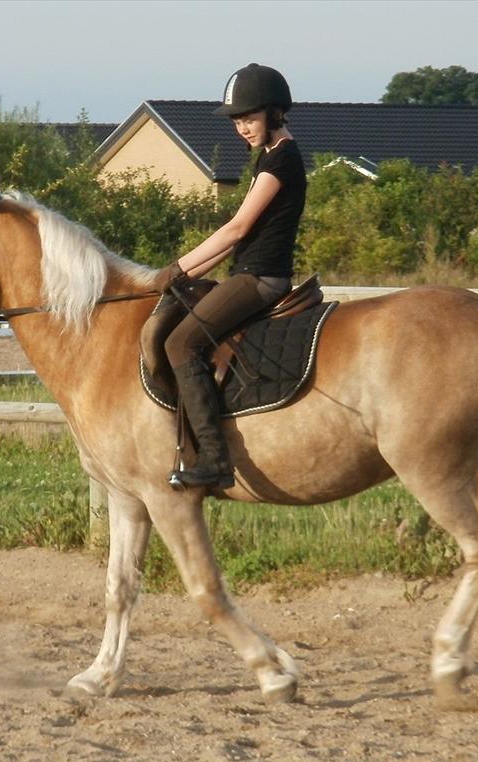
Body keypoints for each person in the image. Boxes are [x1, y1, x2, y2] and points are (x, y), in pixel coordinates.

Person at [152, 62, 307, 491]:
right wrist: (182, 275)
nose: (242, 128)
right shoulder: (269, 156)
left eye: (250, 118)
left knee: (180, 343)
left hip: (262, 279)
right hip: (247, 270)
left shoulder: (281, 162)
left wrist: (178, 267)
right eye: (237, 120)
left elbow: (236, 230)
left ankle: (215, 461)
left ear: (275, 114)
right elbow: (236, 244)